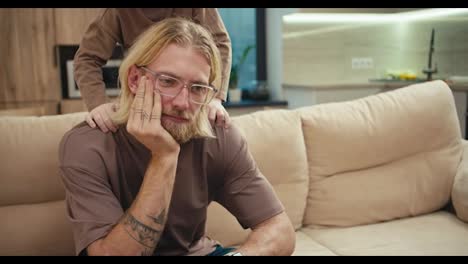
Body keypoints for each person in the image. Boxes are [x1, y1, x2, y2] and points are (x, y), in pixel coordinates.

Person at [59, 17, 295, 256]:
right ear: (134, 80)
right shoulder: (87, 145)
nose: (183, 103)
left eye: (198, 88)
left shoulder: (218, 135)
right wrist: (164, 156)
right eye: (168, 82)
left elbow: (280, 230)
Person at [74, 8, 232, 133]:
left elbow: (221, 43)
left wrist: (215, 98)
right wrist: (98, 103)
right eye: (168, 80)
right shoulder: (115, 11)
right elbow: (87, 59)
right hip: (142, 96)